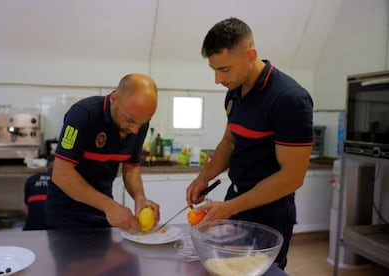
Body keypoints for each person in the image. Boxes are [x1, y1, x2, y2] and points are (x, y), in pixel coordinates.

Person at [186, 17, 313, 269]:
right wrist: (204, 177)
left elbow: (292, 177)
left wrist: (230, 207)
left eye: (223, 69)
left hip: (270, 212)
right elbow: (229, 141)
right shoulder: (235, 90)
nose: (217, 80)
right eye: (214, 69)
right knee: (228, 268)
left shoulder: (289, 99)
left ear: (250, 54)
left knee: (261, 273)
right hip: (236, 200)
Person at [46, 73, 160, 232]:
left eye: (143, 123)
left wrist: (140, 198)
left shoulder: (139, 123)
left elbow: (131, 167)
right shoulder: (82, 114)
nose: (135, 130)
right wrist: (109, 206)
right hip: (66, 215)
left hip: (103, 213)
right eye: (130, 121)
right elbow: (61, 174)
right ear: (114, 99)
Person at [23, 155, 54, 231]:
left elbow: (27, 209)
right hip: (55, 230)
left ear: (46, 167)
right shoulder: (63, 181)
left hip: (31, 229)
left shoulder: (32, 179)